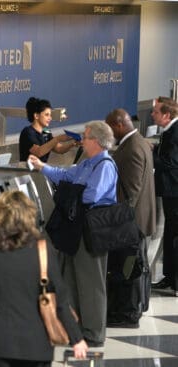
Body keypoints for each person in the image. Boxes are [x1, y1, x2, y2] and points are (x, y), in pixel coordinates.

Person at [0, 190, 88, 367]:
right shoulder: (43, 249)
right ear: (29, 214)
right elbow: (61, 300)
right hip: (35, 343)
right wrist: (76, 339)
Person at [29, 120, 118, 347]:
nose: (81, 140)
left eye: (85, 137)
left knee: (91, 282)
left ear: (96, 141)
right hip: (75, 230)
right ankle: (75, 328)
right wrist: (42, 167)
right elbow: (67, 176)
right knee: (72, 279)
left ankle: (94, 333)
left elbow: (91, 196)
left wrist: (71, 190)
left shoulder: (105, 165)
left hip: (92, 230)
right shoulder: (88, 163)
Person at [105, 108, 157, 327]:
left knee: (129, 268)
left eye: (109, 128)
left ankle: (128, 313)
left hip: (131, 224)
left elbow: (131, 193)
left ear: (118, 124)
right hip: (136, 221)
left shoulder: (132, 148)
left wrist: (118, 222)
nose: (109, 133)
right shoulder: (139, 142)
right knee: (134, 266)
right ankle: (132, 308)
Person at [150, 97, 178, 291]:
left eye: (156, 112)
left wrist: (151, 154)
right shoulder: (171, 131)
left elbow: (170, 163)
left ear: (167, 115)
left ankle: (174, 280)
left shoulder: (174, 133)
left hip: (174, 191)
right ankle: (170, 277)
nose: (152, 115)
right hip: (171, 192)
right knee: (170, 232)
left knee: (174, 234)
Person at [19, 97, 77, 162]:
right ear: (36, 116)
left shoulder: (46, 132)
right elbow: (38, 152)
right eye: (47, 115)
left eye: (50, 115)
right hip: (27, 171)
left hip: (41, 170)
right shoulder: (27, 132)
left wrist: (73, 144)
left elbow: (59, 149)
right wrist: (58, 139)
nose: (50, 118)